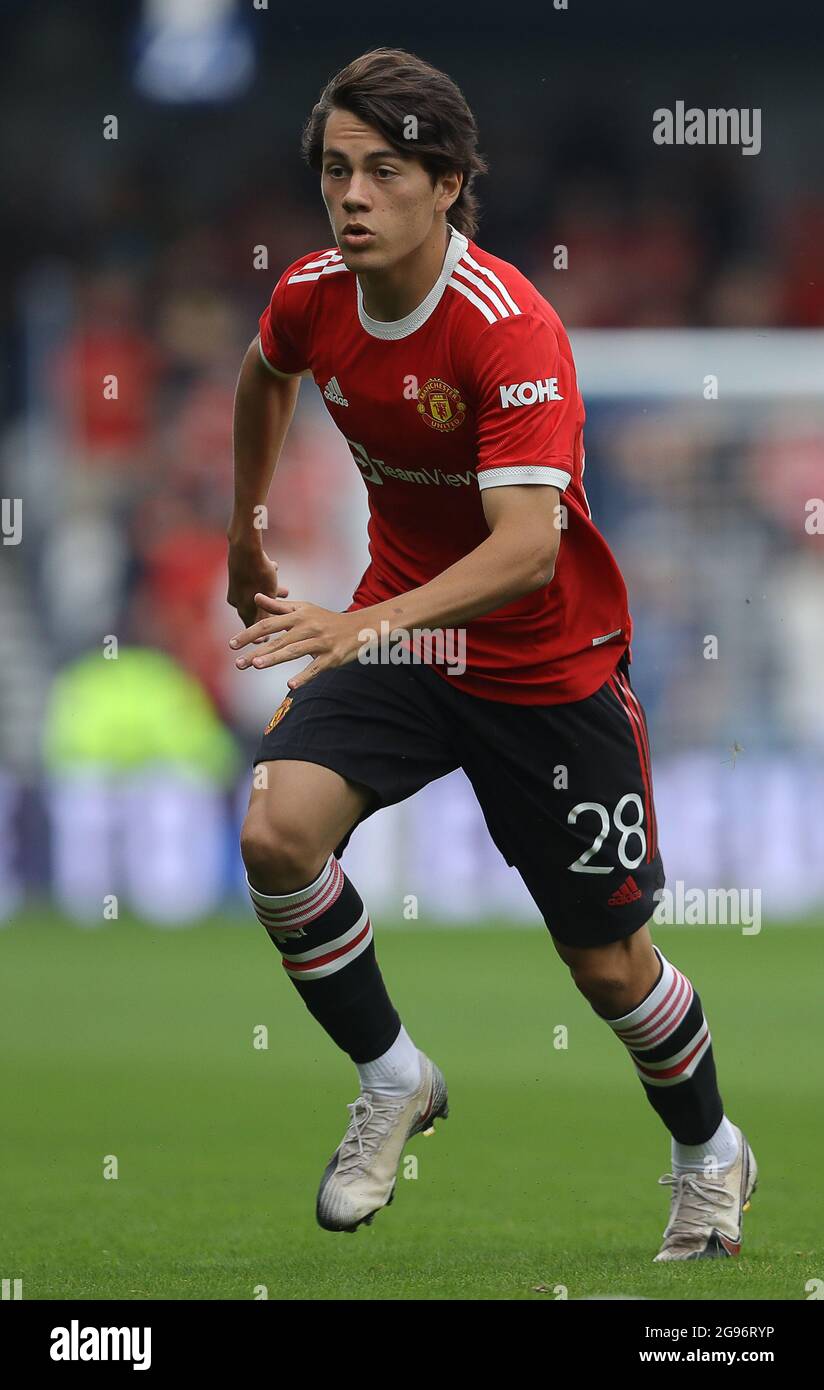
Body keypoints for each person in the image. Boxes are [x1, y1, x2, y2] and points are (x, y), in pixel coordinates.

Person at [226, 47, 756, 1258]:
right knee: (274, 834)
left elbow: (525, 549)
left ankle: (707, 1152)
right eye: (333, 170)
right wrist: (238, 535)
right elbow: (265, 374)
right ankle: (392, 1076)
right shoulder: (314, 292)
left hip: (541, 670)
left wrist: (356, 624)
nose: (350, 196)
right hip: (407, 646)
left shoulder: (507, 331)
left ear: (449, 183)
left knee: (610, 969)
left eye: (384, 172)